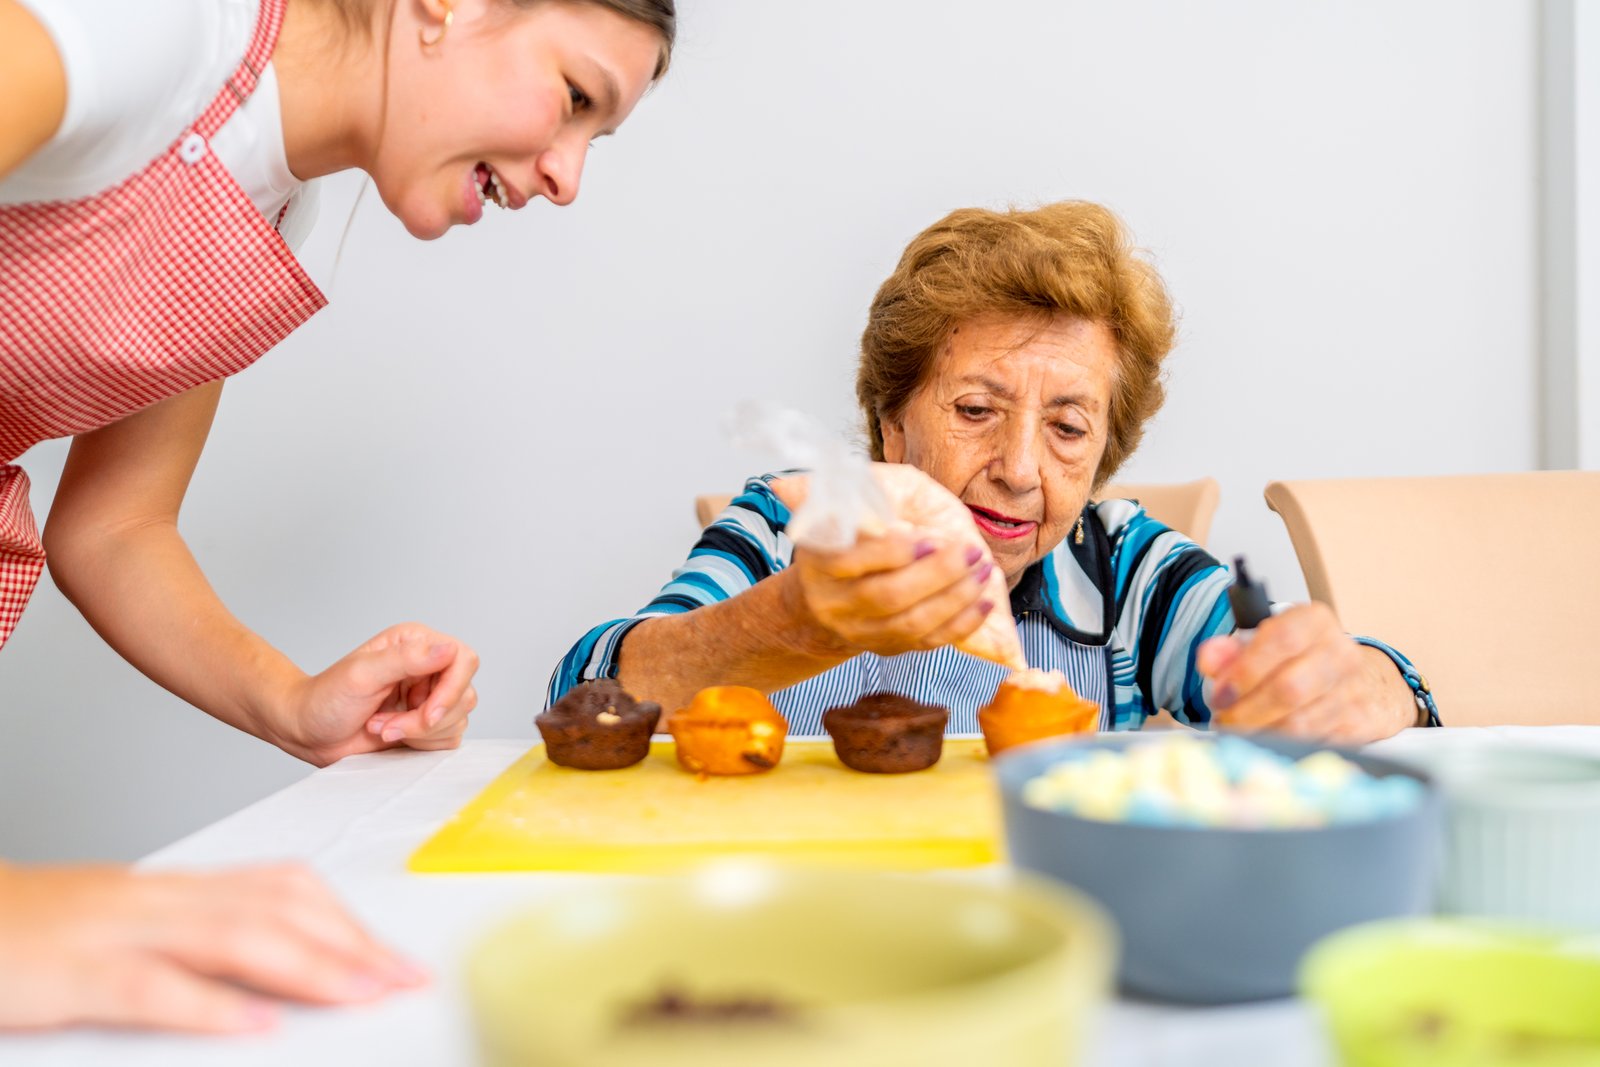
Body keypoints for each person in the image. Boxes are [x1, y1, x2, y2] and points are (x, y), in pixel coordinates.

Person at [0, 0, 674, 1033]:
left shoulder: (275, 210)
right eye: (576, 97)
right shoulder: (158, 28)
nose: (566, 176)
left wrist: (296, 703)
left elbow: (116, 525)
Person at [548, 201, 1439, 742]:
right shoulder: (795, 523)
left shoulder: (1123, 566)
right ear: (893, 429)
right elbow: (585, 690)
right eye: (975, 410)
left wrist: (1348, 683)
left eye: (1068, 428)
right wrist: (790, 621)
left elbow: (1380, 683)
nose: (1018, 469)